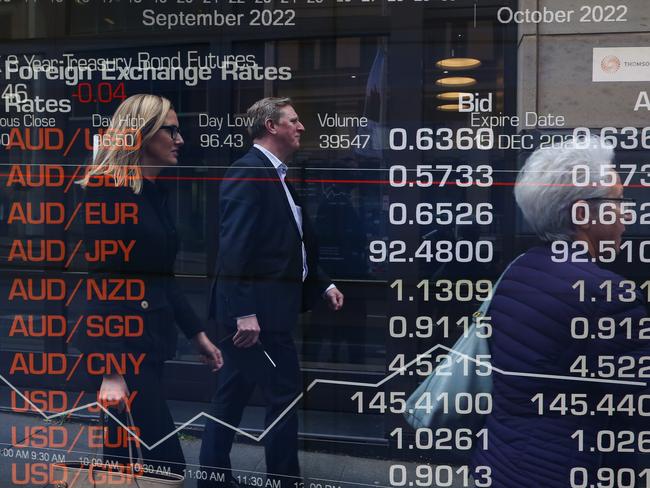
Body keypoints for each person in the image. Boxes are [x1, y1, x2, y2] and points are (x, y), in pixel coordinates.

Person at [470, 137, 649, 487]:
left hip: (500, 462)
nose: (627, 213)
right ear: (582, 214)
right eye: (618, 201)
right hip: (566, 470)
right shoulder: (608, 294)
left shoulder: (518, 269)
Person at [200, 97, 345, 488]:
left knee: (231, 395)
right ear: (270, 126)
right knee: (283, 396)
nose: (301, 127)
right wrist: (245, 313)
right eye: (293, 121)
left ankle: (212, 478)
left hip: (264, 314)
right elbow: (235, 249)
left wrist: (322, 282)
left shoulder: (277, 175)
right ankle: (285, 481)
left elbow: (290, 243)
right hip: (255, 318)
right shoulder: (248, 172)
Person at [78, 94, 223, 475]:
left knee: (123, 462)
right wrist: (111, 371)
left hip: (147, 344)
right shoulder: (108, 191)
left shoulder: (150, 193)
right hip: (123, 353)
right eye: (170, 130)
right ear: (140, 135)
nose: (180, 139)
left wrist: (196, 335)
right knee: (165, 464)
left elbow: (161, 277)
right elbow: (102, 282)